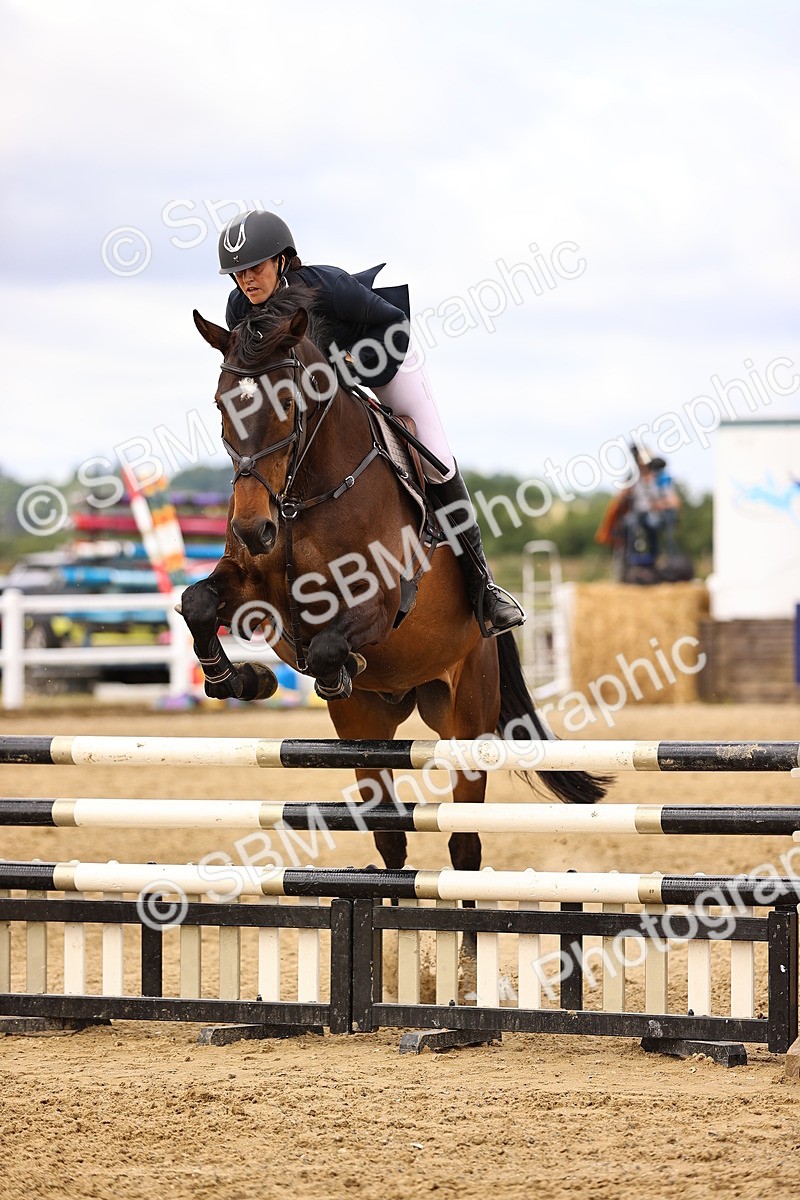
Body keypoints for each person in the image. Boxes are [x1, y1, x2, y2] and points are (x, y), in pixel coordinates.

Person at [217, 209, 524, 637]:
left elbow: (393, 324)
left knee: (436, 460)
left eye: (255, 267)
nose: (246, 281)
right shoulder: (238, 308)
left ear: (282, 261)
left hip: (383, 358)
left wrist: (349, 366)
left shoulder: (327, 285)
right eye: (236, 274)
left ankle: (483, 588)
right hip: (314, 388)